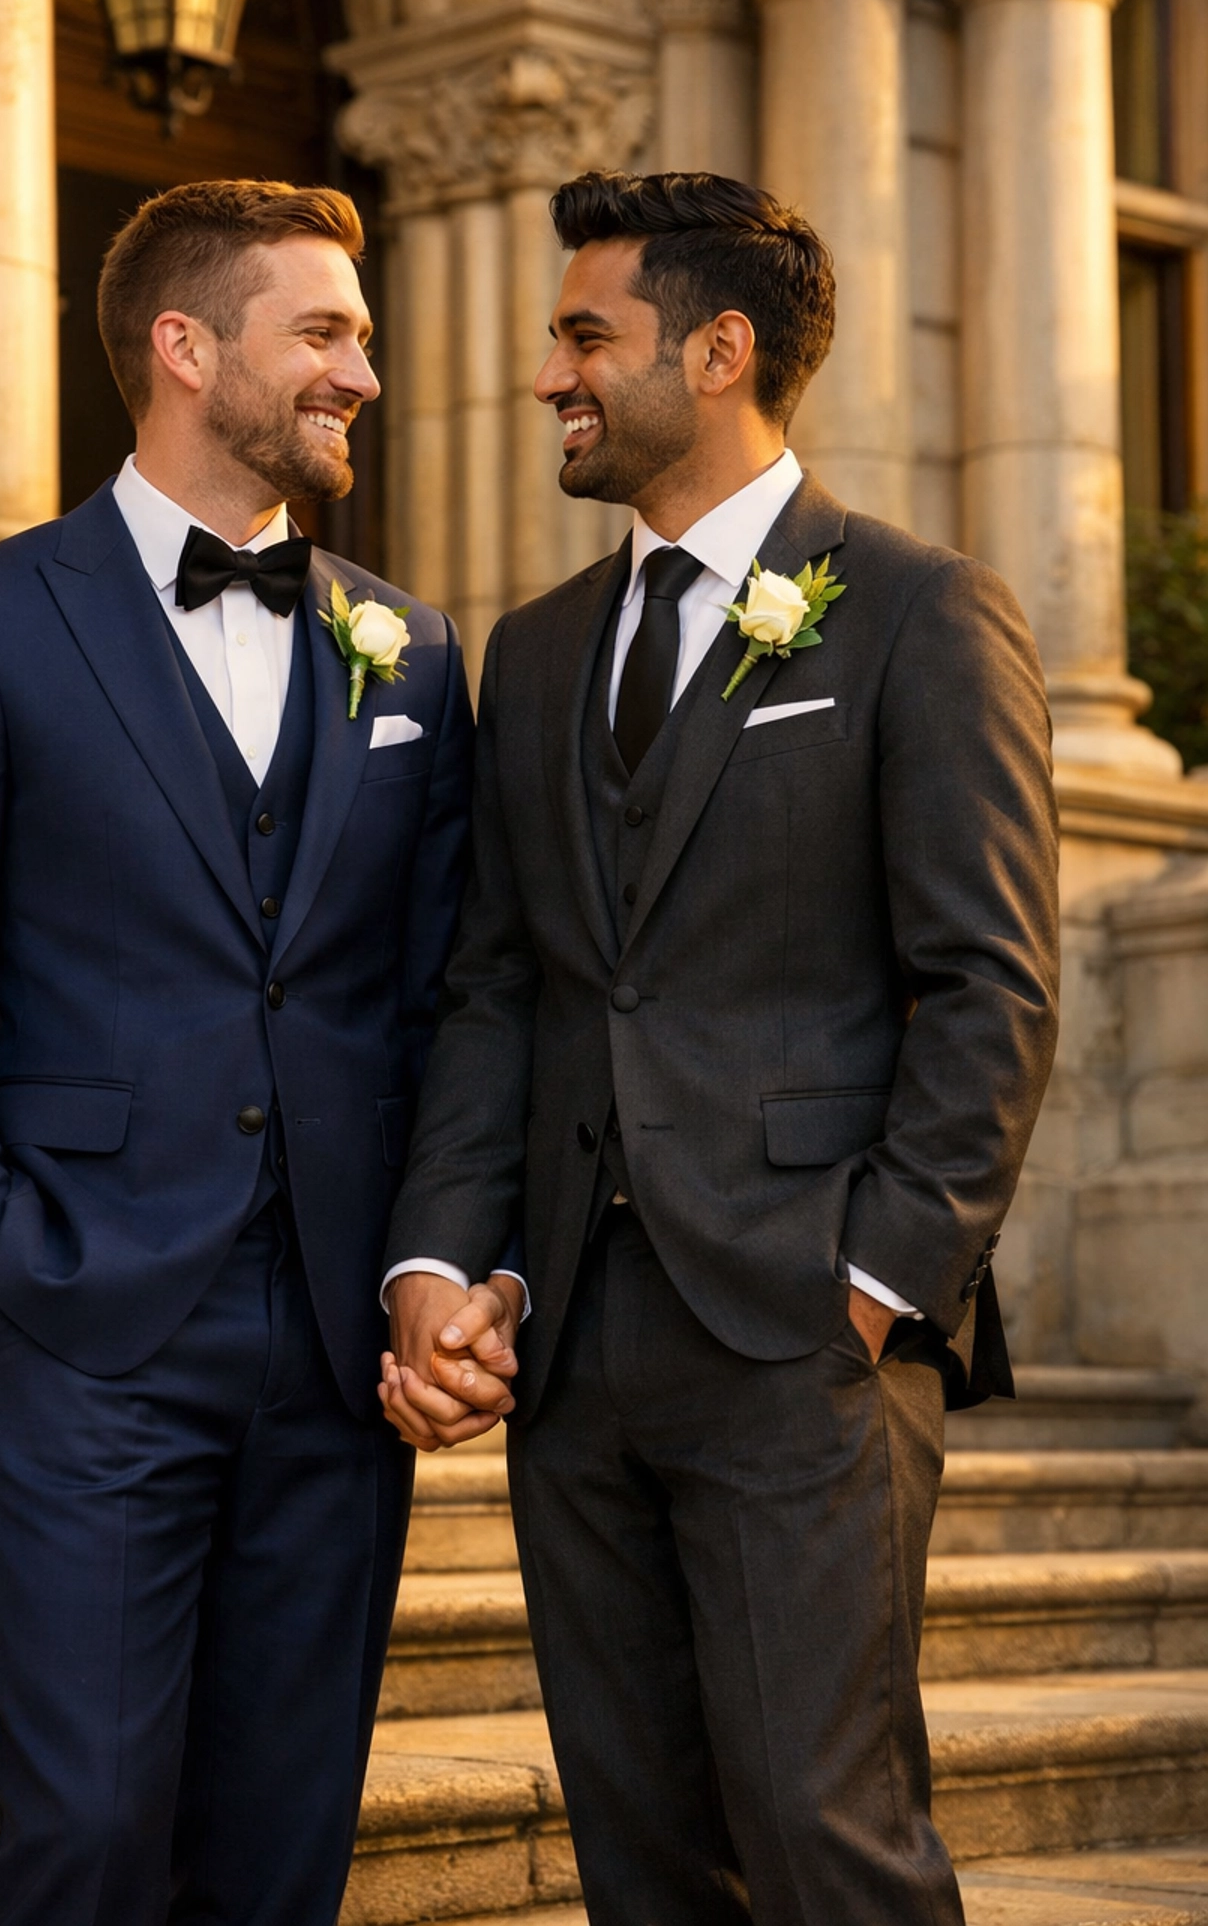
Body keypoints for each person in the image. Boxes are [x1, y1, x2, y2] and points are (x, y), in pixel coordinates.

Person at [380, 170, 1060, 1926]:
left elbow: (990, 983)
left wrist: (879, 1282)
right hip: (578, 1348)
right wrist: (449, 1257)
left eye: (584, 335)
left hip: (798, 1339)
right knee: (644, 1853)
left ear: (720, 350)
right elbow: (501, 989)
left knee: (827, 1838)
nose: (549, 375)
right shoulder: (529, 658)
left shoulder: (918, 611)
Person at [0, 179, 479, 1926]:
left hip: (336, 1347)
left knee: (281, 1858)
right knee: (86, 1843)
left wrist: (430, 1258)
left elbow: (439, 1001)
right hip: (83, 1323)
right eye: (324, 329)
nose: (364, 365)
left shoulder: (409, 647)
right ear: (187, 350)